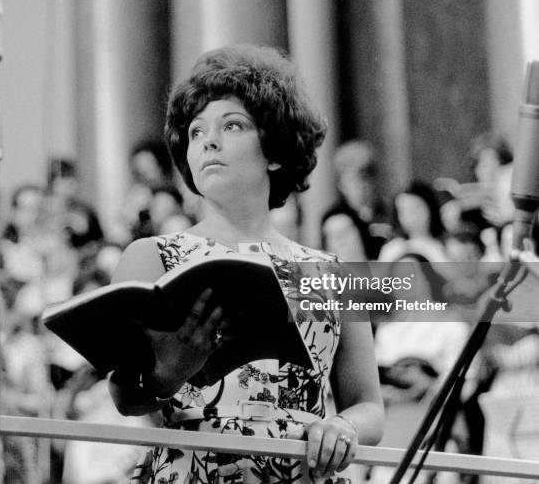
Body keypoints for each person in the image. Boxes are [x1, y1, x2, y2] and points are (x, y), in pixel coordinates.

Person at [108, 44, 384, 484]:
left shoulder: (330, 274)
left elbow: (368, 403)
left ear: (274, 151)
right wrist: (170, 373)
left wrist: (343, 427)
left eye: (232, 125)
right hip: (191, 471)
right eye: (196, 132)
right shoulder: (152, 256)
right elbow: (125, 396)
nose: (208, 141)